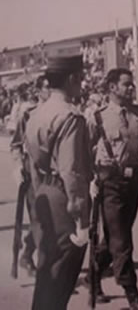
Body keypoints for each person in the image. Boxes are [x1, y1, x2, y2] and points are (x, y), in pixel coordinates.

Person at [87, 68, 138, 309]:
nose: (131, 89)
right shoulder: (97, 117)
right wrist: (91, 180)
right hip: (109, 183)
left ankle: (94, 276)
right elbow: (86, 153)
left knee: (115, 236)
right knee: (122, 239)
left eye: (132, 85)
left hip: (133, 181)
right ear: (112, 88)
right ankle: (133, 294)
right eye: (126, 85)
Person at [24, 56, 92, 310]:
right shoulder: (69, 116)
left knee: (47, 270)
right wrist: (81, 217)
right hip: (64, 196)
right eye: (81, 79)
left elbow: (31, 159)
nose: (82, 84)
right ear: (72, 79)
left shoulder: (37, 112)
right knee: (61, 273)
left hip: (44, 191)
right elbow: (71, 170)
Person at [10, 76, 51, 277]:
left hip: (55, 172)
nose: (50, 91)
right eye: (46, 87)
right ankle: (46, 270)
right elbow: (16, 144)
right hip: (33, 171)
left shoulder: (62, 112)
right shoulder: (28, 114)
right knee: (39, 218)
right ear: (38, 91)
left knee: (54, 219)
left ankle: (27, 253)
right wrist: (18, 166)